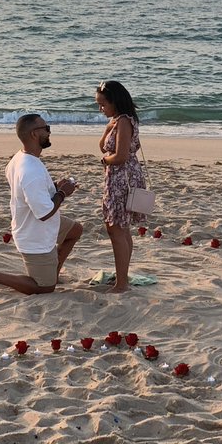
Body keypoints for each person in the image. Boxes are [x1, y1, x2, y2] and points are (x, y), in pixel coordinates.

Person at [0, 114, 83, 296]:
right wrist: (63, 193)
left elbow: (28, 193)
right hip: (34, 234)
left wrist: (56, 187)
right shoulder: (30, 169)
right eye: (46, 128)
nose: (49, 132)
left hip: (40, 225)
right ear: (35, 134)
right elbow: (44, 212)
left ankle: (52, 273)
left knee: (75, 231)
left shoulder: (21, 157)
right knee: (44, 288)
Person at [96, 80, 147, 293]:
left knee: (116, 228)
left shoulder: (124, 122)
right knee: (121, 228)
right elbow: (103, 146)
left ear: (115, 102)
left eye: (102, 104)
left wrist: (105, 161)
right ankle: (122, 277)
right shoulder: (120, 121)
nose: (100, 108)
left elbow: (120, 156)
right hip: (121, 177)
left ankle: (122, 283)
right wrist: (108, 128)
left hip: (122, 178)